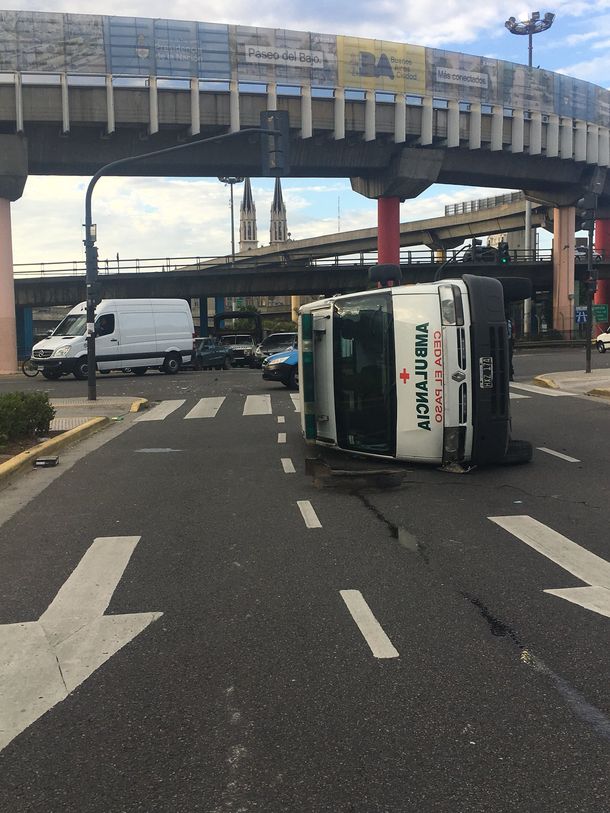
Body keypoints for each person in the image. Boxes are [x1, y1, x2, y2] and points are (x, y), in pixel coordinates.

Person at [507, 316, 514, 381]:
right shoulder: (510, 323)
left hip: (507, 342)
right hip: (509, 342)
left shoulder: (509, 323)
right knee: (509, 359)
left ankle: (510, 375)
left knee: (508, 359)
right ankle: (510, 375)